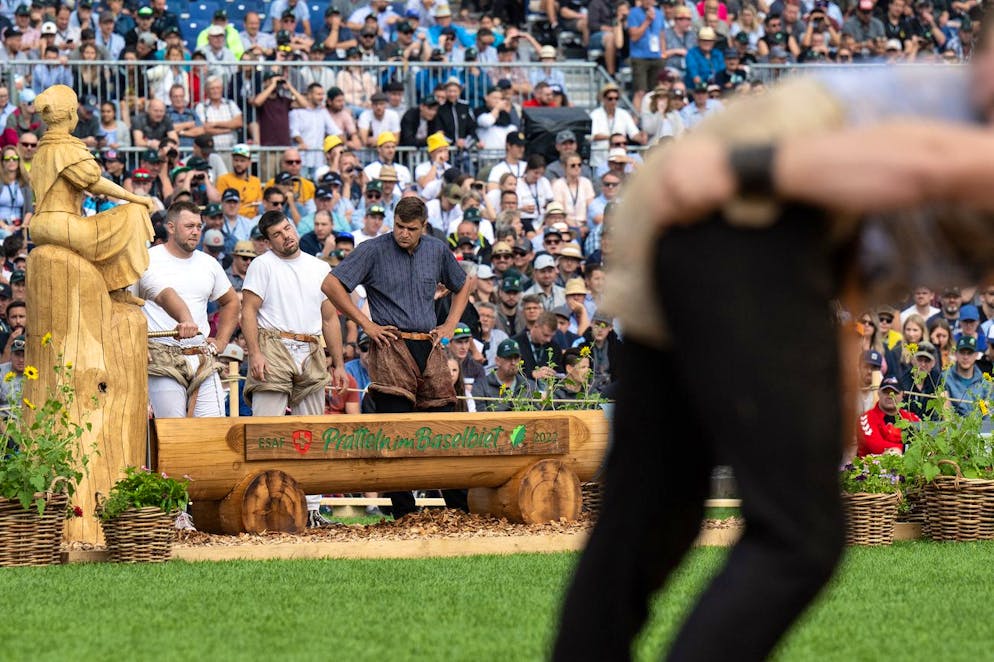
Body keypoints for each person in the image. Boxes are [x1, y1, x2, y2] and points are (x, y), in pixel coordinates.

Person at [554, 35, 994, 659]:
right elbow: (917, 161)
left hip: (709, 223)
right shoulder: (955, 125)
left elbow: (860, 251)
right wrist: (740, 169)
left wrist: (839, 358)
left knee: (652, 513)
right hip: (740, 204)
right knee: (800, 536)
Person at [325, 196, 472, 519]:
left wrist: (449, 324)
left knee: (446, 428)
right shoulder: (373, 249)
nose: (403, 233)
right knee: (396, 433)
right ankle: (404, 514)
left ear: (423, 227)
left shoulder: (436, 249)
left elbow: (463, 285)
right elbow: (331, 284)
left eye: (411, 228)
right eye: (399, 226)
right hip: (389, 343)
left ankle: (459, 510)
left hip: (429, 342)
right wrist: (365, 324)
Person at [29, 85, 154, 296]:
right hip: (63, 226)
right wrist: (136, 198)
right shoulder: (65, 147)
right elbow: (94, 182)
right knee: (134, 212)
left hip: (39, 225)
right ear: (70, 113)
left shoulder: (41, 149)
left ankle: (115, 290)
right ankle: (117, 289)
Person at [136, 201, 239, 418]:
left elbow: (231, 302)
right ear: (171, 227)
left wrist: (221, 341)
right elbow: (130, 305)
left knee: (213, 428)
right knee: (172, 430)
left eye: (199, 227)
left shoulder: (208, 263)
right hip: (160, 354)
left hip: (201, 354)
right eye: (189, 226)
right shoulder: (147, 259)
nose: (195, 232)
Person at [241, 210, 348, 417]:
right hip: (272, 347)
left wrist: (339, 364)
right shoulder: (261, 264)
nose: (286, 235)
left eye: (287, 228)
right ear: (268, 242)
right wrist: (254, 354)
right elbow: (248, 312)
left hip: (311, 347)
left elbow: (329, 318)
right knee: (266, 427)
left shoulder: (320, 267)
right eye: (277, 234)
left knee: (311, 429)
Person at [856, 376, 919, 456]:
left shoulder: (911, 418)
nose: (890, 396)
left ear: (903, 394)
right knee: (894, 452)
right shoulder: (866, 418)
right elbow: (875, 446)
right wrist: (905, 449)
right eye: (886, 392)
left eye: (894, 393)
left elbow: (927, 442)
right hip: (871, 466)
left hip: (907, 466)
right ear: (878, 392)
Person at [471, 338, 534, 411]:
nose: (513, 362)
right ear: (497, 361)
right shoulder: (481, 386)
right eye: (509, 358)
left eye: (516, 358)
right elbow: (480, 415)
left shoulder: (529, 385)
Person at [945, 336, 991, 417]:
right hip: (953, 427)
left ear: (976, 355)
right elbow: (944, 413)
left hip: (980, 427)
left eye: (969, 353)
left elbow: (988, 415)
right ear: (955, 354)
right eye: (962, 352)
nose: (966, 357)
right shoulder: (945, 378)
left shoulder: (985, 383)